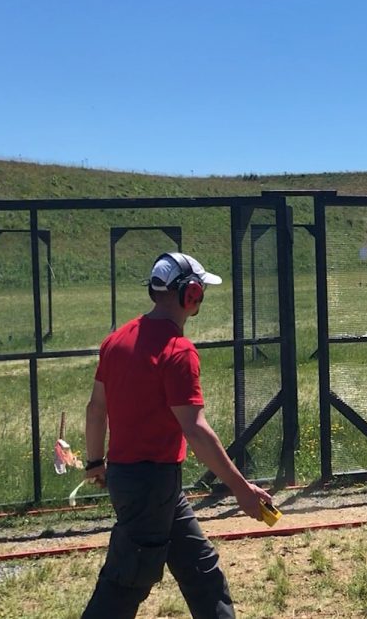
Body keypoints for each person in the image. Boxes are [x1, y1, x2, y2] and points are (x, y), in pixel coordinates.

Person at [82, 252, 272, 619]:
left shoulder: (116, 340)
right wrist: (241, 489)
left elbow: (95, 410)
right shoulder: (178, 350)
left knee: (202, 572)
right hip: (150, 482)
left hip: (141, 479)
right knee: (124, 584)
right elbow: (196, 430)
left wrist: (94, 463)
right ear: (191, 294)